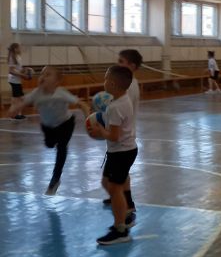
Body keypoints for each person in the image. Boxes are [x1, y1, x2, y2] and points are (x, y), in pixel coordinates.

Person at [8, 66, 89, 195]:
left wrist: (88, 119)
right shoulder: (36, 93)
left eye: (48, 74)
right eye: (42, 74)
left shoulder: (61, 93)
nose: (43, 76)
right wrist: (14, 109)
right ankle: (54, 145)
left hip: (66, 124)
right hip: (48, 127)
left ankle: (55, 179)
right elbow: (21, 104)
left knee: (62, 147)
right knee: (49, 144)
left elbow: (81, 104)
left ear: (57, 81)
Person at [91, 65, 138, 246]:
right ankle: (126, 211)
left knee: (114, 189)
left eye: (105, 79)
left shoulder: (116, 107)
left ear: (112, 84)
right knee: (107, 183)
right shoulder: (122, 99)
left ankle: (121, 230)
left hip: (121, 152)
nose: (103, 82)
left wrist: (100, 131)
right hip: (122, 151)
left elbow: (114, 136)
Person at [105, 49, 143, 225]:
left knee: (115, 182)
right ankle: (124, 202)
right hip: (123, 140)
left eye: (121, 61)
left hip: (122, 141)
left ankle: (124, 212)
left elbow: (118, 111)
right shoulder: (130, 85)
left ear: (132, 66)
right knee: (118, 179)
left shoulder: (129, 88)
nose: (117, 64)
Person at [7, 43, 31, 120]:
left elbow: (18, 69)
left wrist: (25, 69)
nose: (20, 49)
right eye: (19, 48)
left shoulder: (18, 57)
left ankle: (17, 114)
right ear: (15, 49)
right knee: (17, 99)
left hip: (17, 80)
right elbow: (11, 71)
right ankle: (14, 115)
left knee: (19, 98)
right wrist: (22, 75)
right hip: (13, 80)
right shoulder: (12, 57)